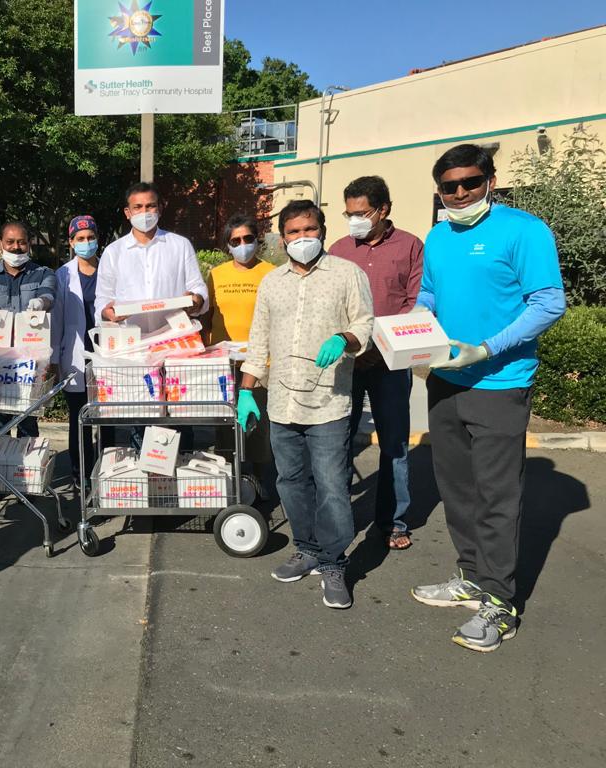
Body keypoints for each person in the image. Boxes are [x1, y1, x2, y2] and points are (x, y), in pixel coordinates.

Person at [410, 144, 565, 652]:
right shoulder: (438, 235)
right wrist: (413, 329)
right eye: (449, 187)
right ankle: (472, 577)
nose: (460, 193)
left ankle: (500, 603)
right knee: (456, 488)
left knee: (498, 495)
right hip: (446, 381)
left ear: (490, 181)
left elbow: (548, 302)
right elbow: (430, 293)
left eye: (470, 183)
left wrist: (486, 348)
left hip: (500, 383)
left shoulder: (524, 231)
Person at [237, 200, 374, 610]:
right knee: (291, 482)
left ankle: (334, 563)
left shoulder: (347, 275)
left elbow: (364, 323)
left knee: (332, 485)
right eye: (294, 232)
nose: (302, 238)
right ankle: (308, 548)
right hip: (281, 402)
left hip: (328, 402)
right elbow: (258, 338)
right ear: (282, 237)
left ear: (323, 231)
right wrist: (247, 390)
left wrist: (345, 339)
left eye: (309, 230)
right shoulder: (272, 282)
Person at [329, 176, 424, 551]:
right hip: (346, 363)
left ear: (383, 209)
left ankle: (392, 521)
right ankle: (337, 516)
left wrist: (380, 345)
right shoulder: (338, 249)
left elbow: (416, 303)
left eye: (361, 213)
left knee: (394, 444)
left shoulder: (410, 247)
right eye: (348, 213)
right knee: (336, 442)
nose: (353, 220)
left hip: (390, 363)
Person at [203, 213, 275, 494]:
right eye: (236, 240)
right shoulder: (217, 275)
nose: (242, 244)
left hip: (259, 362)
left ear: (257, 240)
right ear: (227, 245)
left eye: (248, 239)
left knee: (256, 423)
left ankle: (258, 481)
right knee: (224, 423)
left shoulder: (270, 272)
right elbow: (207, 317)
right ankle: (227, 477)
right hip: (224, 361)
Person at [0, 221, 56, 438]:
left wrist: (41, 303)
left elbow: (49, 295)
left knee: (28, 423)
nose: (16, 247)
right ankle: (0, 467)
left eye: (22, 242)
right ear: (1, 244)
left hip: (29, 362)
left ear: (29, 245)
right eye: (10, 242)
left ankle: (27, 469)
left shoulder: (43, 273)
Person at [94, 181, 208, 333]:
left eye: (150, 206)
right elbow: (103, 297)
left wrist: (197, 299)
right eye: (138, 207)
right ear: (128, 213)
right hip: (130, 339)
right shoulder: (113, 252)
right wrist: (105, 312)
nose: (144, 212)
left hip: (173, 336)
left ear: (160, 209)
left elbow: (197, 286)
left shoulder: (180, 245)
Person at [51, 215, 106, 485]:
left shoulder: (109, 268)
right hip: (75, 354)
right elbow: (57, 320)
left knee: (108, 416)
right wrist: (54, 358)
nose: (86, 243)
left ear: (98, 238)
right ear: (72, 243)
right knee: (80, 417)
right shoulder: (63, 275)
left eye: (90, 237)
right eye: (80, 239)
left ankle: (107, 469)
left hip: (107, 352)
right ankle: (80, 471)